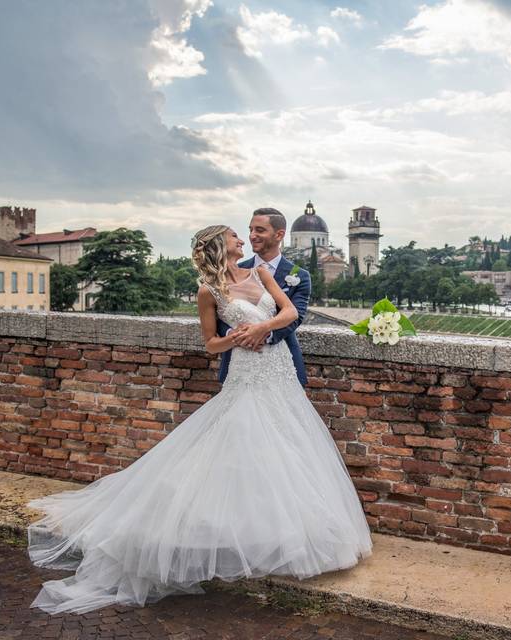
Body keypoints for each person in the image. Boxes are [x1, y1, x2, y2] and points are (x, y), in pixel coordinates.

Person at [26, 221, 373, 615]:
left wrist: (261, 326)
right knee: (244, 446)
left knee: (290, 446)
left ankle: (287, 533)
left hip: (279, 370)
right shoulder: (208, 291)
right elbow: (210, 344)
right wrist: (235, 339)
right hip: (245, 371)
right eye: (234, 236)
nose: (242, 239)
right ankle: (241, 536)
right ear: (218, 246)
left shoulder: (260, 272)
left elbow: (290, 311)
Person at [218, 208, 311, 386]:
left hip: (281, 363)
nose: (252, 236)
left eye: (259, 230)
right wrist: (235, 335)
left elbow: (295, 317)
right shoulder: (234, 270)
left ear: (279, 234)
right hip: (239, 363)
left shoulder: (300, 276)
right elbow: (221, 314)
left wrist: (262, 333)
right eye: (251, 230)